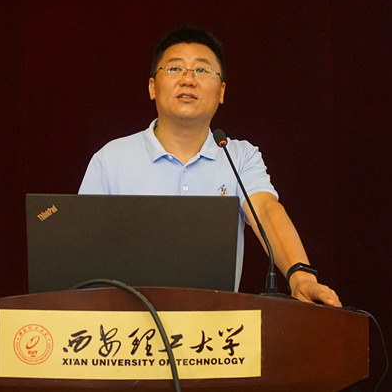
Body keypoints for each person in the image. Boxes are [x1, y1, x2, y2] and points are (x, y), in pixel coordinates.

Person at [79, 26, 341, 307]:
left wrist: (301, 277)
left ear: (222, 91)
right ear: (152, 87)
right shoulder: (112, 158)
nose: (188, 80)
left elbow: (265, 210)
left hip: (215, 325)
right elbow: (84, 247)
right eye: (174, 68)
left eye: (202, 70)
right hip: (125, 322)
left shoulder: (239, 156)